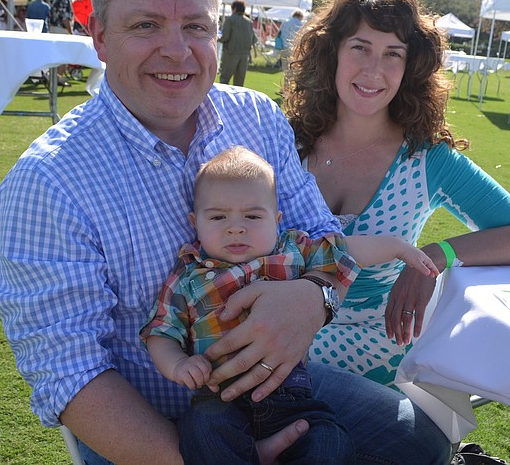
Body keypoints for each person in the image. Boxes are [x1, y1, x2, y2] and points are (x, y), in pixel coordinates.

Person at [0, 0, 451, 465]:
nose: (177, 50)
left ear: (217, 34)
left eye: (195, 27)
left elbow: (322, 237)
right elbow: (73, 376)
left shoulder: (256, 117)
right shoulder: (49, 182)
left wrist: (314, 301)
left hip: (274, 387)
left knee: (420, 443)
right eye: (146, 25)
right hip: (158, 423)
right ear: (100, 37)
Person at [283, 0, 510, 389]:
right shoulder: (284, 142)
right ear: (332, 51)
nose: (374, 70)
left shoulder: (427, 160)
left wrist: (435, 255)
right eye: (360, 47)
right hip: (278, 333)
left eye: (393, 54)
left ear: (411, 68)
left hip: (369, 354)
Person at [142, 145, 437, 464]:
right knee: (200, 431)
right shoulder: (188, 274)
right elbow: (161, 332)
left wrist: (396, 247)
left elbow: (344, 250)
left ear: (276, 219)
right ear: (194, 222)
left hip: (291, 399)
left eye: (252, 215)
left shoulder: (291, 251)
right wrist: (178, 365)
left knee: (329, 439)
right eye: (218, 216)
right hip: (219, 400)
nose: (236, 227)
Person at [218, 0, 256, 86]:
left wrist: (218, 38)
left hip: (231, 53)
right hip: (244, 55)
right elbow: (253, 39)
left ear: (234, 8)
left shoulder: (230, 20)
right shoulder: (249, 22)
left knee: (224, 79)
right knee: (239, 83)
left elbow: (225, 37)